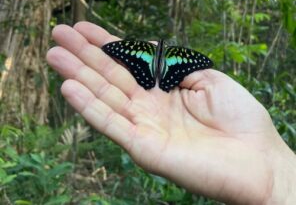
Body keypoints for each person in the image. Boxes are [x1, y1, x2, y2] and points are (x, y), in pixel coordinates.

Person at [46, 22, 296, 204]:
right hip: (164, 75)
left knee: (144, 69)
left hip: (151, 72)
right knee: (144, 67)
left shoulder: (153, 51)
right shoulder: (176, 55)